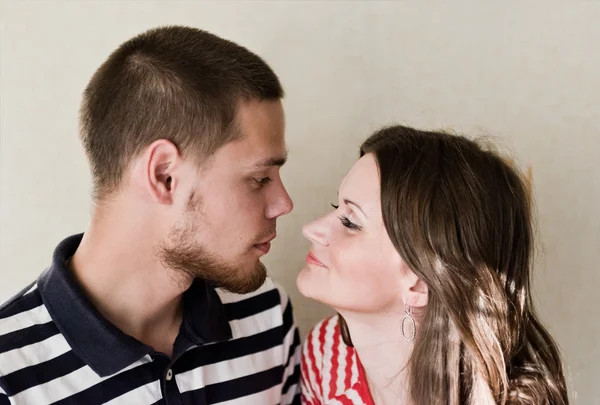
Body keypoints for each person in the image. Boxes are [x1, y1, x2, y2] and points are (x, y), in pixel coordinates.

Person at [0, 25, 300, 405]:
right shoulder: (9, 378)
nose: (284, 204)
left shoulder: (267, 314)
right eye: (259, 178)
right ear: (164, 175)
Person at [298, 125, 569, 405]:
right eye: (336, 207)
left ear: (419, 282)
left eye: (350, 222)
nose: (311, 229)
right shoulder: (327, 352)